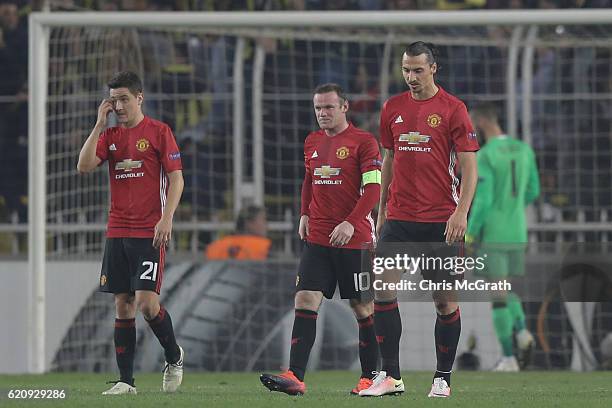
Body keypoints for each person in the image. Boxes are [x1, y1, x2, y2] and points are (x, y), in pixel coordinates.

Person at [359, 42, 479, 398]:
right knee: (382, 288)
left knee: (444, 302)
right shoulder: (391, 108)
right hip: (399, 217)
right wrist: (381, 210)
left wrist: (461, 211)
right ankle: (391, 376)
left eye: (418, 70)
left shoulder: (453, 109)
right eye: (406, 70)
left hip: (441, 220)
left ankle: (442, 377)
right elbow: (389, 160)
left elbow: (471, 167)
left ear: (433, 69)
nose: (411, 77)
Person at [260, 83, 382, 396]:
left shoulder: (364, 142)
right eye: (318, 108)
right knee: (305, 298)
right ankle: (295, 376)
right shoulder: (312, 141)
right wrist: (304, 213)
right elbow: (308, 181)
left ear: (345, 107)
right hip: (318, 238)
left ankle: (371, 377)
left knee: (361, 307)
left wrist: (350, 223)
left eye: (328, 107)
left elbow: (373, 189)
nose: (322, 114)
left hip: (355, 240)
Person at [77, 71, 185, 395]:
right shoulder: (109, 136)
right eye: (114, 100)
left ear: (139, 98)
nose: (119, 106)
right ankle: (126, 381)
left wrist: (167, 219)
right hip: (117, 230)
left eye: (124, 99)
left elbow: (177, 178)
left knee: (147, 304)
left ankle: (174, 355)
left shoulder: (159, 132)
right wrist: (98, 124)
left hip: (149, 231)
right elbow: (83, 166)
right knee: (122, 304)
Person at [466, 102, 540, 372]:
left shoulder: (485, 155)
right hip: (517, 230)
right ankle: (521, 333)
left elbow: (483, 202)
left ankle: (509, 357)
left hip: (493, 233)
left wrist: (471, 234)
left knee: (497, 294)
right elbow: (533, 190)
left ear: (482, 122)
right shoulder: (524, 150)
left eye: (472, 123)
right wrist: (511, 207)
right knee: (505, 289)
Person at [205, 205, 271, 260]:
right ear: (249, 223)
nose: (266, 224)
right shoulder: (265, 246)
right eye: (264, 220)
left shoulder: (214, 246)